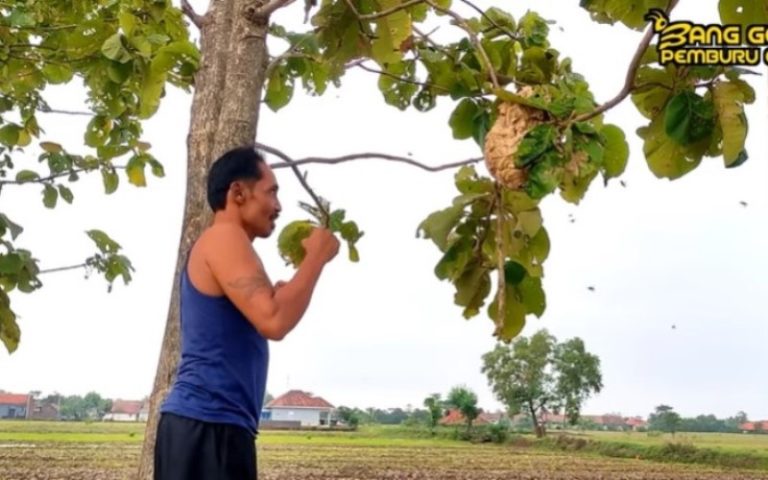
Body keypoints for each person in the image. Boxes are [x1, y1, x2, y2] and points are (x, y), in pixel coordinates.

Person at [154, 146, 340, 479]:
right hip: (207, 425)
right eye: (271, 192)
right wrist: (316, 257)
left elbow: (271, 313)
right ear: (238, 192)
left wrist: (285, 292)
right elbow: (275, 321)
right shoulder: (224, 237)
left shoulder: (230, 246)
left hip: (217, 427)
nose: (279, 206)